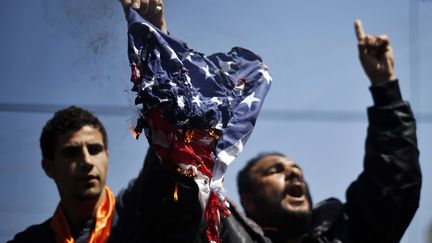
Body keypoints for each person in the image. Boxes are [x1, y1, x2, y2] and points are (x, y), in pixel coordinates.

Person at [237, 20, 422, 243]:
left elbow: (393, 182)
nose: (295, 174)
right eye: (275, 170)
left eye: (297, 170)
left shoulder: (347, 233)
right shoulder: (225, 235)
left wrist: (385, 87)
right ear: (248, 201)